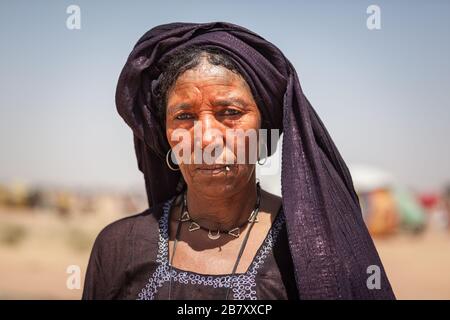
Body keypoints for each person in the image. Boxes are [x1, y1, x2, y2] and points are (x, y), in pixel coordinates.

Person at [82, 22, 395, 300]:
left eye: (230, 113)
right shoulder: (118, 248)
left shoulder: (315, 251)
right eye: (185, 116)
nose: (206, 139)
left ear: (264, 129)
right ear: (166, 134)